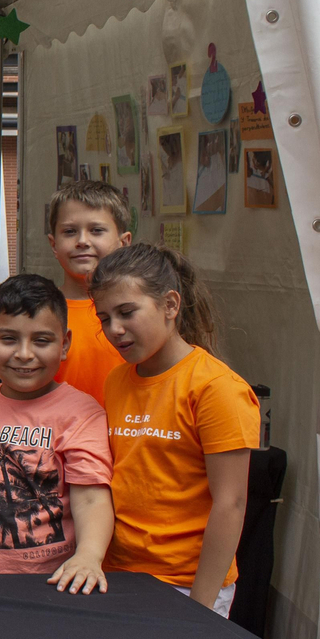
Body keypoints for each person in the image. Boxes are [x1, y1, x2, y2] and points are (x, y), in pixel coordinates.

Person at [90, 243, 257, 615]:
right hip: (117, 576)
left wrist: (201, 606)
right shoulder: (117, 379)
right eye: (104, 318)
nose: (115, 330)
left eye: (127, 312)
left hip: (186, 583)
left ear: (170, 305)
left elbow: (231, 503)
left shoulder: (217, 388)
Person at [0, 274, 113, 592]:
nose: (24, 354)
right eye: (9, 339)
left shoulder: (82, 412)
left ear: (65, 344)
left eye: (41, 341)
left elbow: (91, 499)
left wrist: (89, 556)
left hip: (50, 584)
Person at [45, 180, 134, 406]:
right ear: (53, 244)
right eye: (70, 231)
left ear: (124, 242)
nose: (82, 241)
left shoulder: (142, 312)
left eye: (96, 230)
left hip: (126, 437)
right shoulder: (41, 311)